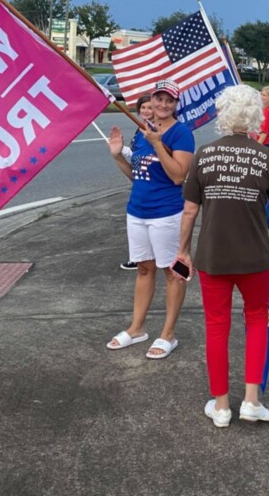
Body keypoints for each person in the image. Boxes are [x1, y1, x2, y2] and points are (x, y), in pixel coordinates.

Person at [175, 85, 269, 427]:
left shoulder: (204, 155)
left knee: (216, 326)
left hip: (213, 256)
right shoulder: (267, 156)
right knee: (256, 322)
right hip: (254, 256)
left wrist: (183, 251)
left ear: (222, 114)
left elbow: (190, 210)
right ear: (256, 116)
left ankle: (221, 405)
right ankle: (252, 400)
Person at [106, 80, 195, 359]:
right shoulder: (142, 130)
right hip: (137, 211)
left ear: (176, 104)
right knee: (144, 269)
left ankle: (168, 334)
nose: (163, 105)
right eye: (159, 99)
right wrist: (118, 155)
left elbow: (178, 175)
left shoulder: (181, 134)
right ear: (152, 100)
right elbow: (137, 176)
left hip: (167, 213)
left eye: (169, 100)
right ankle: (137, 328)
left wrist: (157, 144)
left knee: (173, 272)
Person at [119, 94, 154, 271]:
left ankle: (146, 258)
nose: (146, 111)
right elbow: (136, 161)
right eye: (143, 108)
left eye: (149, 107)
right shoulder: (139, 131)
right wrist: (120, 153)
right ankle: (139, 258)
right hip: (139, 188)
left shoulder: (156, 132)